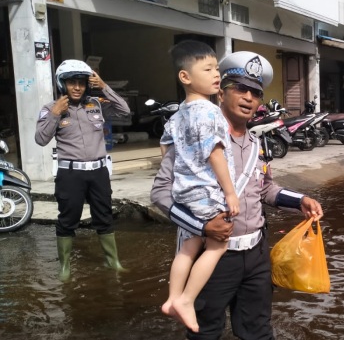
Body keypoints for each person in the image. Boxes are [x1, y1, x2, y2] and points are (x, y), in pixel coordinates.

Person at [151, 51, 324, 340]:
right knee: (205, 332)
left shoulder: (259, 144)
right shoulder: (194, 136)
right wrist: (203, 227)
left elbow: (265, 188)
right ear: (221, 93)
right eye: (240, 88)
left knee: (258, 331)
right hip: (212, 253)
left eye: (255, 92)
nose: (248, 97)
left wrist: (300, 200)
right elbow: (160, 192)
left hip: (256, 255)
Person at [159, 41, 241, 333]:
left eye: (216, 68)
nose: (216, 73)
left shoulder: (179, 113)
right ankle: (186, 299)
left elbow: (165, 149)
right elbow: (215, 153)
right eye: (207, 69)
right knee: (218, 246)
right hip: (207, 191)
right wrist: (230, 192)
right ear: (186, 77)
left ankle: (171, 298)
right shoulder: (207, 111)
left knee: (188, 247)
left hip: (185, 191)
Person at [35, 59, 130, 282]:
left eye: (81, 82)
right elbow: (40, 139)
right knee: (68, 219)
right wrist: (56, 113)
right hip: (71, 174)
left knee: (104, 217)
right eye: (71, 82)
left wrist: (104, 86)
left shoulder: (96, 104)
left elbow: (124, 110)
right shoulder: (50, 108)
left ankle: (112, 261)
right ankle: (65, 267)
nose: (77, 87)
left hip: (98, 172)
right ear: (62, 84)